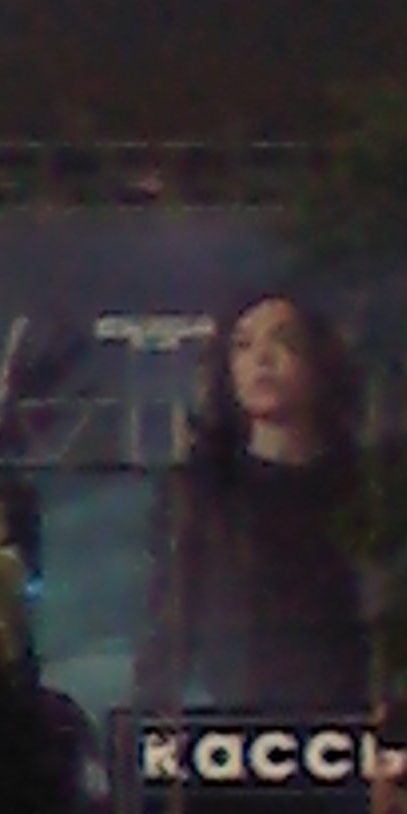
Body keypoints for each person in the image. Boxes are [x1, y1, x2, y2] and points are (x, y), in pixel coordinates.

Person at [137, 294, 368, 713]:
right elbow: (170, 626)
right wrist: (148, 724)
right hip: (238, 729)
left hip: (355, 725)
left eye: (284, 341)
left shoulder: (367, 488)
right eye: (243, 345)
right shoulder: (201, 493)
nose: (262, 359)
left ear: (320, 364)